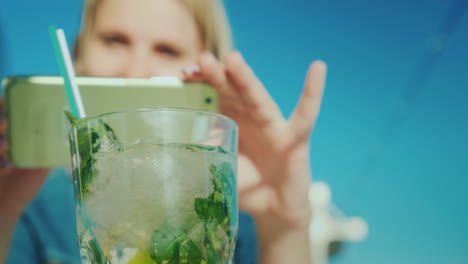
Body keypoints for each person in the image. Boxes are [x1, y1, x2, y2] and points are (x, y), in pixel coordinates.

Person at [0, 0, 327, 263]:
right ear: (76, 57)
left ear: (203, 70)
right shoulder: (31, 205)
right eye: (114, 40)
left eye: (167, 50)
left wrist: (285, 226)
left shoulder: (232, 215)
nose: (136, 72)